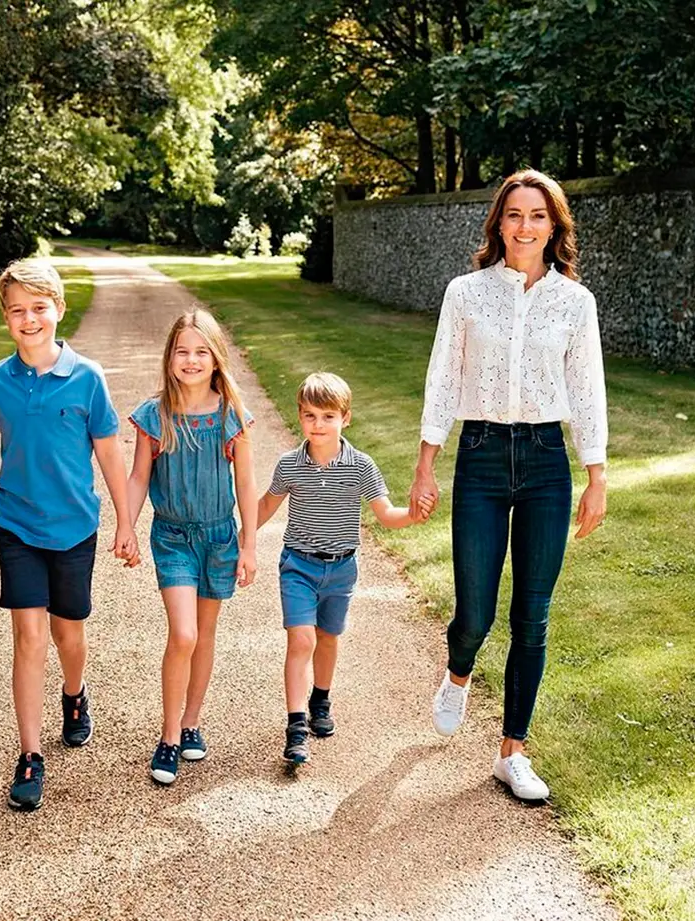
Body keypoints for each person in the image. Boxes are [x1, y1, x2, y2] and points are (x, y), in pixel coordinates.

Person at [410, 169, 608, 801]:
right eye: (515, 214)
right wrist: (425, 463)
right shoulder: (465, 293)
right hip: (482, 455)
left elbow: (587, 390)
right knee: (475, 613)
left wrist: (595, 474)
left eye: (538, 216)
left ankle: (512, 752)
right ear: (498, 222)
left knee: (533, 616)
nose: (526, 226)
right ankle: (459, 671)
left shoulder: (575, 303)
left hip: (548, 460)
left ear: (556, 227)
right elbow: (443, 377)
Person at [0, 259, 137, 811]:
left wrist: (126, 522)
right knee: (29, 638)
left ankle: (74, 693)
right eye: (18, 310)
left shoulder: (88, 378)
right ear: (6, 318)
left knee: (69, 637)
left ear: (59, 310)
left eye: (40, 308)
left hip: (74, 527)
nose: (29, 319)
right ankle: (31, 755)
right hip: (15, 525)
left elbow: (110, 452)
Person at [254, 373, 431, 766]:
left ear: (345, 419)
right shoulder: (289, 465)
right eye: (310, 416)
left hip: (341, 570)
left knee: (328, 638)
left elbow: (385, 514)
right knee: (301, 641)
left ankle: (320, 698)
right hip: (298, 565)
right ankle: (296, 726)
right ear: (299, 417)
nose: (319, 425)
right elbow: (266, 505)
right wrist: (241, 537)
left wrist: (413, 516)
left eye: (328, 416)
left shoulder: (361, 467)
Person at [126, 310, 258, 786]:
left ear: (216, 359)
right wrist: (127, 524)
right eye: (182, 350)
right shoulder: (154, 415)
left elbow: (245, 481)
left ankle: (192, 720)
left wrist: (249, 544)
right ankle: (168, 737)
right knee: (182, 635)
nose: (191, 359)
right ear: (169, 357)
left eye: (201, 351)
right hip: (174, 536)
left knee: (204, 634)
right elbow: (139, 475)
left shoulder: (231, 416)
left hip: (220, 537)